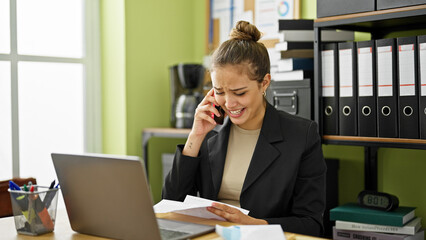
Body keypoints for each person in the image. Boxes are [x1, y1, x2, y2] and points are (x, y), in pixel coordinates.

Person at [162, 20, 326, 237]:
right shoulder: (210, 131)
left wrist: (255, 224)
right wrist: (196, 135)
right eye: (219, 91)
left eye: (239, 93)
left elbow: (312, 223)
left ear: (264, 83)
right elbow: (170, 204)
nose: (229, 104)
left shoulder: (302, 135)